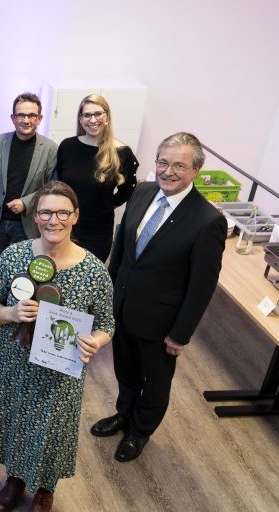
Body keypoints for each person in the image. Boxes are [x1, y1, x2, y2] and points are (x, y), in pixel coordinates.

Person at [0, 181, 114, 512]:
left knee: (50, 427)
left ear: (75, 216)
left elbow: (107, 325)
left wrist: (95, 340)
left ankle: (45, 488)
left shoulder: (93, 269)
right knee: (16, 421)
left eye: (63, 212)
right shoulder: (14, 255)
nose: (54, 220)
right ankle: (15, 480)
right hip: (11, 360)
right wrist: (10, 312)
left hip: (59, 368)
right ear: (35, 216)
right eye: (46, 212)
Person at [90, 132, 227, 463]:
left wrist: (180, 334)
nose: (168, 171)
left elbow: (201, 285)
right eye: (163, 162)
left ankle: (139, 431)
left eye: (179, 165)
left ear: (195, 170)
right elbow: (122, 248)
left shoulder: (208, 221)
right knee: (125, 369)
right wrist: (109, 298)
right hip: (123, 307)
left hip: (161, 322)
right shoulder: (144, 191)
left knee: (154, 383)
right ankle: (124, 414)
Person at [0, 92, 58, 272]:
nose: (26, 120)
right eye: (21, 115)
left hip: (29, 222)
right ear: (13, 118)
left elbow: (52, 188)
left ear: (39, 118)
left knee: (26, 269)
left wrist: (26, 202)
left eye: (32, 115)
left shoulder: (50, 148)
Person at [52, 94, 138, 261]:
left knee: (88, 280)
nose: (93, 120)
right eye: (87, 115)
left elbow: (128, 191)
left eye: (98, 114)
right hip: (65, 225)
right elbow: (60, 183)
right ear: (80, 119)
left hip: (97, 231)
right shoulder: (68, 146)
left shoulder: (121, 152)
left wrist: (106, 205)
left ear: (107, 117)